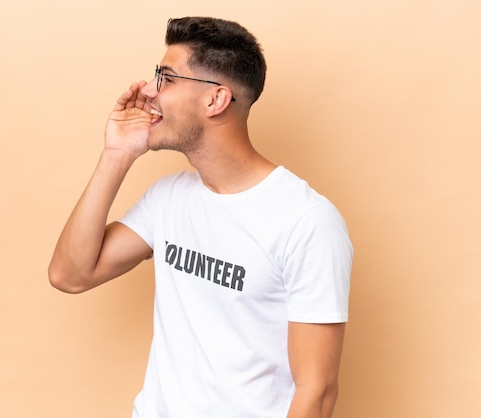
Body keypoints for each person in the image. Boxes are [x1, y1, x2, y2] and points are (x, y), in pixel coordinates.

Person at [48, 16, 352, 418]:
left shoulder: (307, 222)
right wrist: (116, 155)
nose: (148, 92)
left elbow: (317, 392)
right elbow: (70, 275)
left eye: (167, 79)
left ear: (216, 99)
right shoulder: (168, 198)